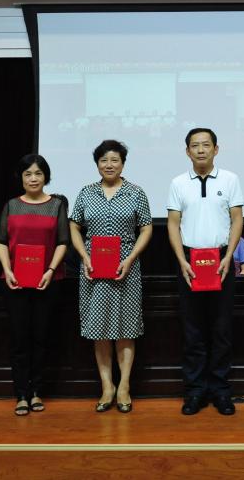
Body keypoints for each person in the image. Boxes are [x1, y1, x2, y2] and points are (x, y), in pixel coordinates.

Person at [69, 139, 153, 414]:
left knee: (126, 329)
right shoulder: (86, 192)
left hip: (126, 265)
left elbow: (146, 228)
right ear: (97, 164)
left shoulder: (135, 193)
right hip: (93, 267)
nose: (109, 165)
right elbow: (74, 226)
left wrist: (130, 258)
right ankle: (107, 386)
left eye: (114, 160)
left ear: (123, 164)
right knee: (99, 330)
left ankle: (124, 386)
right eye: (103, 160)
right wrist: (84, 256)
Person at [166, 128, 244, 416]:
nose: (201, 150)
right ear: (187, 151)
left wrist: (229, 256)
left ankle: (221, 391)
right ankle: (195, 391)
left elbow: (237, 219)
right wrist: (181, 260)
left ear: (216, 149)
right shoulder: (178, 183)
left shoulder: (230, 179)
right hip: (189, 262)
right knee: (193, 330)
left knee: (221, 329)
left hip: (221, 261)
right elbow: (173, 224)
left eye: (206, 145)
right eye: (195, 146)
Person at [0, 154, 70, 416]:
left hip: (47, 281)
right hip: (15, 281)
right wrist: (7, 270)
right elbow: (1, 241)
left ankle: (37, 391)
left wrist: (50, 270)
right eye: (28, 174)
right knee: (19, 339)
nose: (33, 178)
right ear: (21, 178)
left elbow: (63, 241)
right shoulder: (12, 205)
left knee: (41, 337)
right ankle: (20, 394)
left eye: (38, 173)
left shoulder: (56, 205)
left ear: (46, 176)